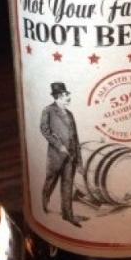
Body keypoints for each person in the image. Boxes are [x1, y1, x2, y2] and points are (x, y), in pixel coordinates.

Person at [40, 82, 87, 227]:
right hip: (56, 155)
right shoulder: (48, 110)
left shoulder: (70, 114)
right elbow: (44, 130)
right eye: (66, 95)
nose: (68, 97)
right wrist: (59, 146)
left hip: (70, 156)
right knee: (50, 181)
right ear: (58, 96)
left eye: (67, 94)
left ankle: (68, 215)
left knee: (67, 185)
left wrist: (79, 161)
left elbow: (75, 137)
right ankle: (44, 205)